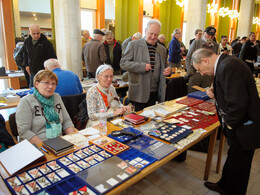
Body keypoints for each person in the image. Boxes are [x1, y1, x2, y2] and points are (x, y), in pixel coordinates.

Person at [192, 48, 260, 195]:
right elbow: (231, 91)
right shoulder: (226, 63)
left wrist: (229, 125)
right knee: (233, 160)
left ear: (205, 60)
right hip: (240, 125)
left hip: (243, 127)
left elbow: (237, 103)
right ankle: (224, 186)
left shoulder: (228, 66)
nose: (202, 73)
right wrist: (216, 91)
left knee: (239, 168)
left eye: (200, 69)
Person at [120, 19, 171, 111]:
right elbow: (123, 63)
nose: (153, 37)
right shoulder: (133, 45)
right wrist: (141, 66)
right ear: (145, 31)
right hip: (138, 93)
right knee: (137, 121)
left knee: (150, 121)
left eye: (156, 35)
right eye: (151, 33)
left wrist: (168, 70)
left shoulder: (162, 49)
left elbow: (165, 66)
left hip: (154, 93)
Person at [16, 70, 75, 145]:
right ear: (36, 84)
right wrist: (45, 147)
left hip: (59, 142)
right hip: (38, 145)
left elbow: (67, 121)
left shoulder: (56, 97)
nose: (50, 86)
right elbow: (24, 132)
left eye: (53, 84)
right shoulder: (26, 101)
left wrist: (73, 139)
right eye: (46, 83)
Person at [186, 26, 219, 93]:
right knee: (192, 93)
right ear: (204, 34)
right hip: (195, 73)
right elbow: (188, 57)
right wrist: (191, 71)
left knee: (205, 94)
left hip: (208, 75)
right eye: (208, 35)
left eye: (212, 35)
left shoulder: (216, 46)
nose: (210, 37)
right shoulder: (196, 43)